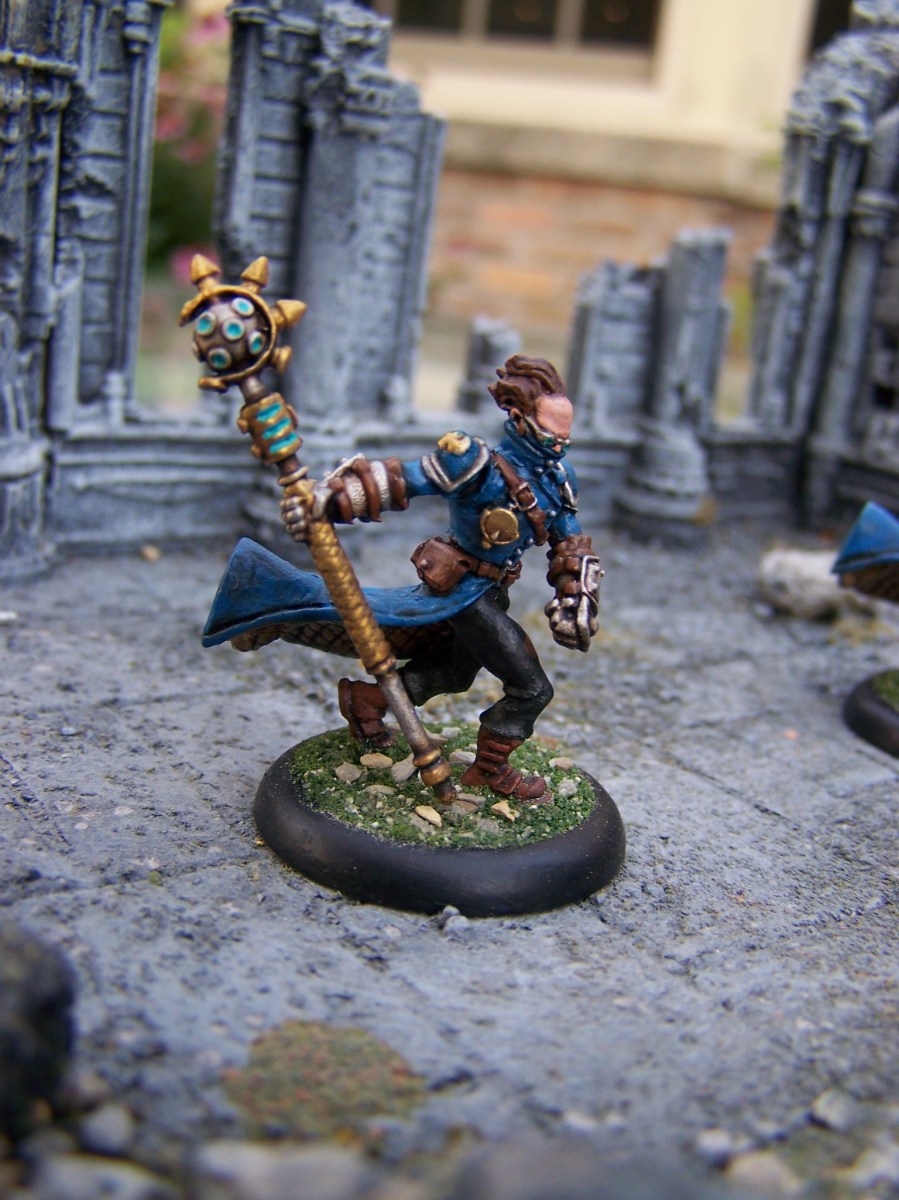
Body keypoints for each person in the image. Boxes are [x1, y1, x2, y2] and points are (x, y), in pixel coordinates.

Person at [203, 355, 601, 803]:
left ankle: (368, 701)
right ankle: (489, 772)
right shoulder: (475, 465)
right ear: (518, 420)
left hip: (494, 592)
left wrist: (577, 596)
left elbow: (568, 539)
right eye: (550, 434)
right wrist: (327, 501)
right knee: (531, 688)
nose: (559, 445)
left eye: (565, 436)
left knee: (453, 673)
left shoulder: (557, 478)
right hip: (464, 596)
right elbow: (400, 481)